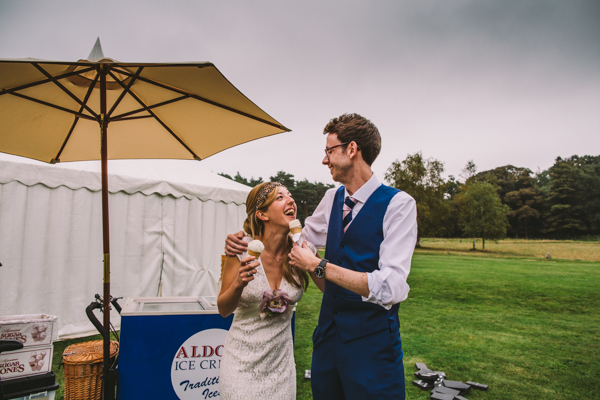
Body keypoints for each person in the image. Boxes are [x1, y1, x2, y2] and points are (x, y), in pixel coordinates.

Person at [225, 113, 417, 400]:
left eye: (329, 151)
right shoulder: (332, 198)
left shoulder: (398, 204)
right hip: (327, 343)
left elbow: (392, 286)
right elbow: (297, 241)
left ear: (351, 150)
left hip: (372, 348)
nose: (324, 160)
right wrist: (244, 238)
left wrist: (319, 266)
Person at [217, 182, 311, 400]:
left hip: (281, 366)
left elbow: (328, 287)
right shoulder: (241, 249)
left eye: (290, 195)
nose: (291, 200)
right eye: (280, 198)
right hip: (241, 365)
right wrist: (239, 283)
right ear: (262, 214)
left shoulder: (302, 251)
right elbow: (223, 309)